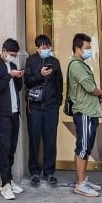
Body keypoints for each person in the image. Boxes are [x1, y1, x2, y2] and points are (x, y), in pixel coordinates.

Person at [67, 32, 102, 197]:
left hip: (89, 111)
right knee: (82, 147)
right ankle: (80, 183)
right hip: (84, 111)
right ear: (77, 48)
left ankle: (83, 179)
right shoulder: (76, 65)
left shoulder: (82, 64)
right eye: (87, 48)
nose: (89, 51)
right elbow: (90, 87)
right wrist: (101, 93)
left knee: (86, 147)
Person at [24, 34, 62, 186]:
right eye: (43, 47)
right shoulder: (31, 61)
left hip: (51, 106)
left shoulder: (55, 62)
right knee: (34, 139)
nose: (46, 49)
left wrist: (58, 101)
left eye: (48, 47)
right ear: (37, 48)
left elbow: (59, 83)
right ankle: (34, 172)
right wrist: (40, 75)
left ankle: (49, 172)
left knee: (50, 139)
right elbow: (27, 81)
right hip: (35, 107)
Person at [0, 38, 25, 200]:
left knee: (11, 148)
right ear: (3, 50)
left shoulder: (13, 66)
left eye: (15, 55)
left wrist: (18, 77)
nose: (12, 57)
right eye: (11, 54)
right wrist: (8, 75)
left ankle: (9, 180)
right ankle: (4, 184)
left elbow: (18, 88)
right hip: (2, 113)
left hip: (14, 112)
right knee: (3, 149)